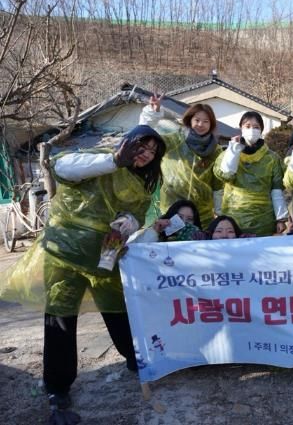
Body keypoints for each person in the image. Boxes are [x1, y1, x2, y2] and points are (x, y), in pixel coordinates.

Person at [40, 125, 166, 424]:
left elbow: (137, 214)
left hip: (105, 256)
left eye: (152, 152)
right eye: (142, 146)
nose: (146, 155)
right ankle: (57, 386)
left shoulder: (141, 183)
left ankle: (135, 358)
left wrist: (125, 224)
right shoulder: (98, 158)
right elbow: (63, 168)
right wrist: (113, 161)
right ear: (128, 143)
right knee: (60, 318)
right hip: (65, 255)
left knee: (118, 309)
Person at [140, 96, 223, 227]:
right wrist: (152, 113)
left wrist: (219, 212)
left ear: (211, 124)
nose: (201, 124)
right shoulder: (175, 140)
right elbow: (146, 137)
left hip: (202, 216)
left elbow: (218, 183)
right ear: (189, 120)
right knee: (170, 239)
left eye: (206, 121)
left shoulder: (215, 150)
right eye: (197, 120)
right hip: (171, 211)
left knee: (197, 240)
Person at [214, 111, 288, 236]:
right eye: (247, 126)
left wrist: (280, 218)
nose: (252, 130)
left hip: (264, 220)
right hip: (233, 219)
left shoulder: (272, 158)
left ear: (261, 130)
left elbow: (276, 190)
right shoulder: (229, 153)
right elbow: (225, 175)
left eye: (256, 127)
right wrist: (233, 151)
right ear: (241, 128)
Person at [127, 199, 205, 242]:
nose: (184, 222)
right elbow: (137, 251)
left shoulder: (201, 242)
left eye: (189, 219)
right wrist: (155, 231)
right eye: (180, 217)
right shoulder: (156, 237)